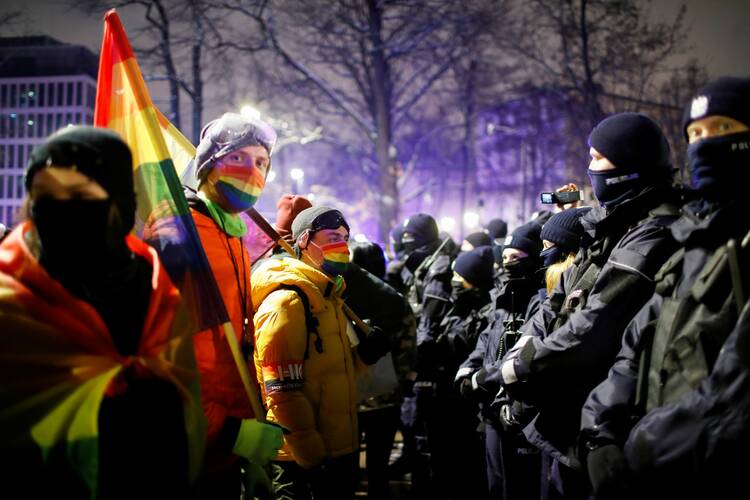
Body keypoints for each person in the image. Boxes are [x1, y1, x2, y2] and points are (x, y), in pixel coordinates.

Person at [0, 126, 206, 498]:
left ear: (120, 203)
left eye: (78, 195)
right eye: (45, 195)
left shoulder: (158, 293)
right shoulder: (10, 302)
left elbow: (187, 408)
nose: (59, 208)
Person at [580, 76, 750, 499]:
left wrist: (637, 449)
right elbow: (635, 345)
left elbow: (734, 398)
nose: (705, 142)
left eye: (723, 129)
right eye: (695, 133)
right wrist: (599, 429)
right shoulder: (695, 241)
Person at [498, 112, 681, 499]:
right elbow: (560, 299)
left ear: (629, 164)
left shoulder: (650, 232)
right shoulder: (612, 226)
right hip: (575, 420)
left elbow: (595, 325)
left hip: (606, 423)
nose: (590, 168)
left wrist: (524, 365)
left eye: (598, 158)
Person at [186, 112, 284, 496]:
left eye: (261, 163)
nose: (252, 172)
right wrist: (228, 431)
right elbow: (167, 356)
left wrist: (245, 448)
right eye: (239, 158)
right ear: (209, 167)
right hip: (189, 450)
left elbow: (234, 347)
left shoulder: (232, 236)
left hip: (224, 448)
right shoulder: (183, 236)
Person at [252, 206, 375, 500]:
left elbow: (325, 376)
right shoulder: (287, 304)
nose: (342, 245)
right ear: (305, 240)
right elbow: (282, 392)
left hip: (336, 451)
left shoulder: (328, 299)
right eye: (332, 236)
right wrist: (312, 455)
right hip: (301, 461)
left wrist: (363, 358)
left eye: (346, 237)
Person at [455, 222, 545, 500]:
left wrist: (484, 378)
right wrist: (468, 369)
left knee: (520, 485)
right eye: (505, 257)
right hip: (493, 409)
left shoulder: (540, 299)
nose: (507, 264)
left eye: (515, 257)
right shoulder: (503, 296)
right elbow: (488, 339)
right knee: (497, 483)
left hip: (519, 408)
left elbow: (524, 352)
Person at [350, 240, 417, 500]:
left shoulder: (339, 296)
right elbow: (408, 349)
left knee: (346, 463)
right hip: (385, 395)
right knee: (380, 465)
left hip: (348, 394)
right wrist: (398, 381)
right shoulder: (394, 299)